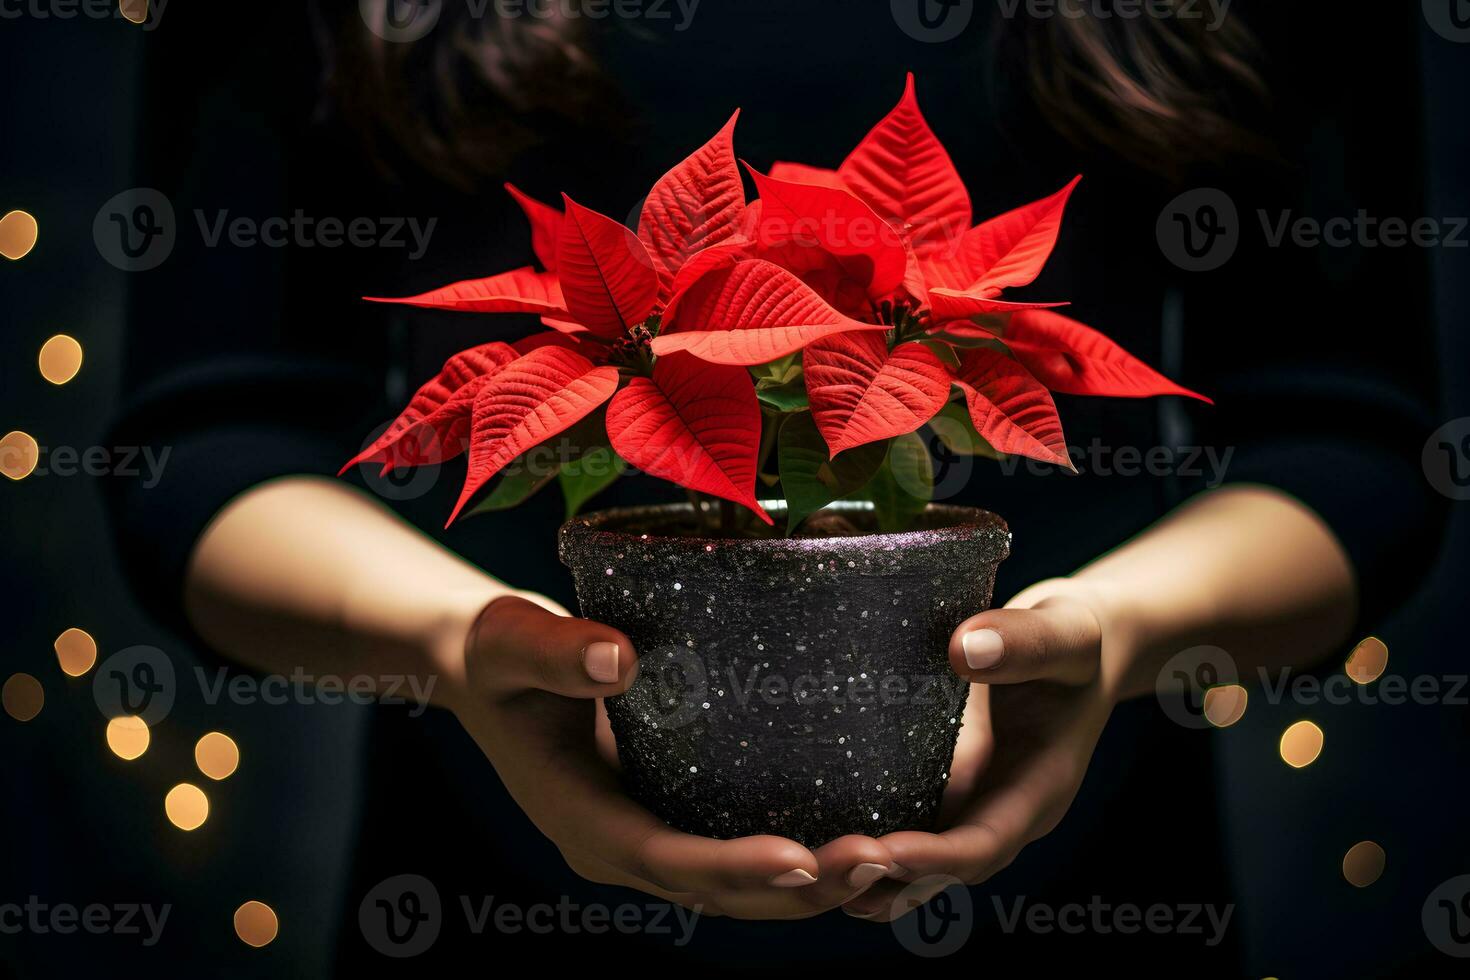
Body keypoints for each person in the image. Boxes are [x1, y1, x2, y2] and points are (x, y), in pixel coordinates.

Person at [107, 1, 1446, 970]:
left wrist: (1112, 635)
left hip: (1100, 891)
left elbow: (1349, 445)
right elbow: (206, 446)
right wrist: (461, 645)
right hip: (479, 901)